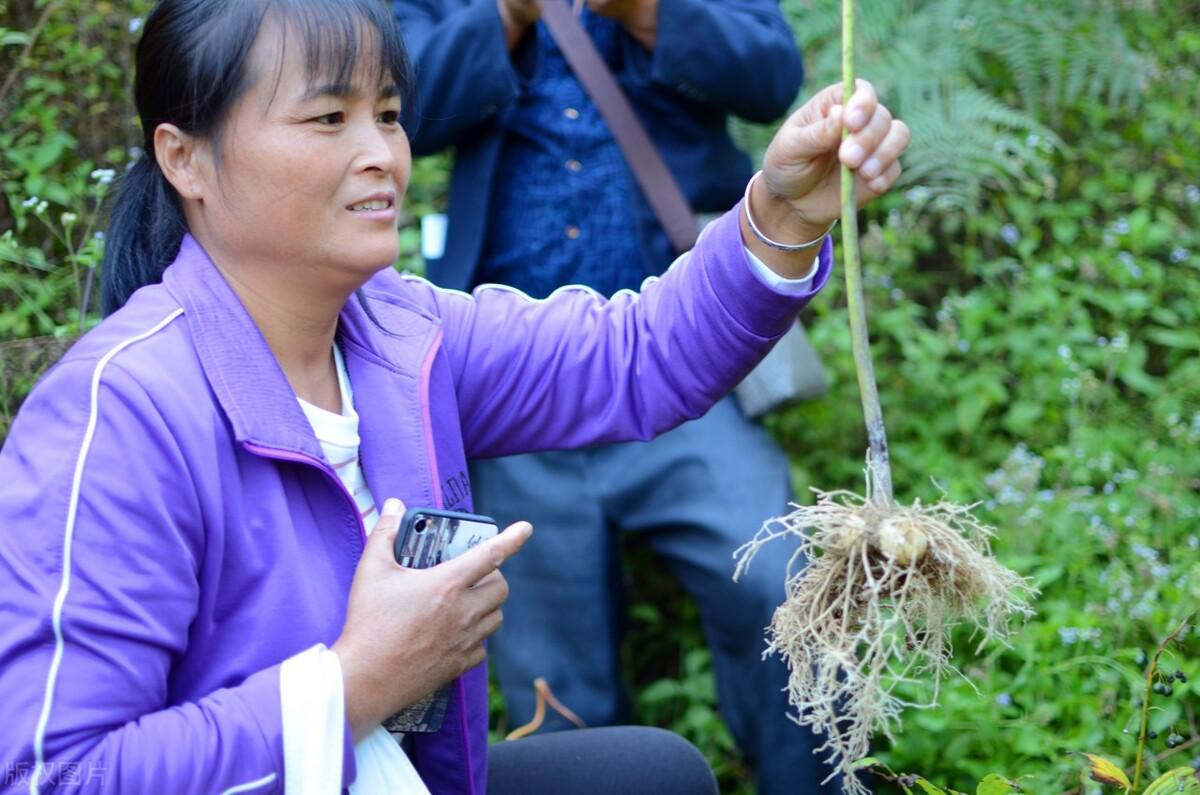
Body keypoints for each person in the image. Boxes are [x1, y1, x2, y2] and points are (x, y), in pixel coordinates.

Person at [0, 1, 907, 793]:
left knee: (651, 772)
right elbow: (53, 774)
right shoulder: (116, 411)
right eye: (327, 118)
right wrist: (357, 680)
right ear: (185, 158)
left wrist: (785, 213)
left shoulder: (402, 335)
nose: (381, 154)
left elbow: (635, 355)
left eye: (388, 114)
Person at [390, 0, 851, 790]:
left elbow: (770, 72)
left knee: (784, 584)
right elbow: (400, 107)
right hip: (512, 387)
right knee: (554, 677)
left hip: (683, 358)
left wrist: (646, 12)